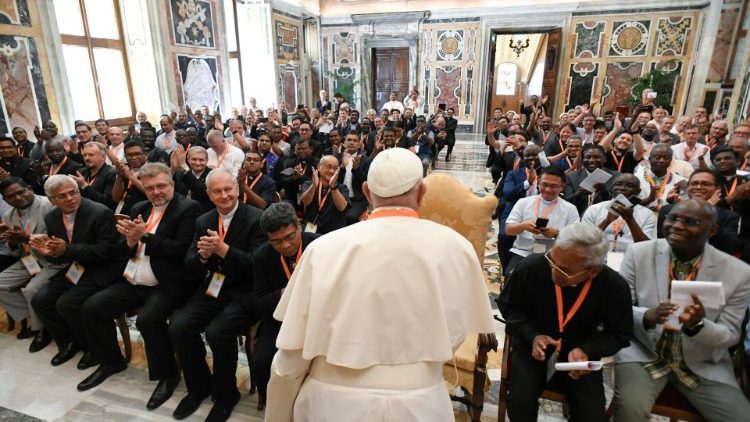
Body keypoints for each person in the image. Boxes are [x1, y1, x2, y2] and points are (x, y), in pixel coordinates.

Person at [265, 147, 494, 421]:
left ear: (367, 192)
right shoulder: (458, 248)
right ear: (422, 192)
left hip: (333, 406)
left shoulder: (322, 250)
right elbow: (457, 333)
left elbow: (291, 358)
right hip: (421, 403)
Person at [612, 199, 750, 421]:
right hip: (644, 353)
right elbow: (616, 310)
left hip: (702, 362)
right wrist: (646, 315)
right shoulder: (639, 253)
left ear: (712, 230)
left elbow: (731, 335)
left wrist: (698, 326)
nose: (676, 225)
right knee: (631, 411)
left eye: (690, 222)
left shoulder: (739, 273)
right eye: (673, 218)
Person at [77, 163, 201, 398]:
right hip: (132, 279)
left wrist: (143, 236)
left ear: (172, 185)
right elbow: (119, 251)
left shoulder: (188, 208)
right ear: (144, 188)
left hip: (166, 282)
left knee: (148, 320)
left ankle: (168, 375)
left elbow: (179, 250)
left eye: (162, 186)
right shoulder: (140, 207)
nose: (157, 192)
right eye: (150, 187)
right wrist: (130, 242)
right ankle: (111, 361)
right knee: (92, 307)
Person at [498, 223, 632, 421]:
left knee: (591, 416)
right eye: (552, 261)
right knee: (520, 404)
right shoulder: (533, 266)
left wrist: (588, 350)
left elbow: (619, 334)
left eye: (564, 270)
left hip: (578, 356)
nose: (553, 272)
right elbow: (509, 306)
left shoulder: (614, 287)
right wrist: (531, 335)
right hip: (533, 349)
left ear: (593, 271)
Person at [169, 169, 265, 421]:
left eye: (228, 189)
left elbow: (257, 266)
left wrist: (223, 250)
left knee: (217, 332)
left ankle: (226, 394)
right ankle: (199, 386)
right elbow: (189, 266)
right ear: (209, 195)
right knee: (180, 327)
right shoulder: (204, 221)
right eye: (217, 191)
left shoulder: (257, 218)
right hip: (213, 286)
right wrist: (202, 256)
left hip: (245, 292)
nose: (225, 196)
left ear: (237, 188)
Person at [29, 175, 123, 368]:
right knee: (40, 300)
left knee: (67, 303)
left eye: (73, 193)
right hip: (77, 268)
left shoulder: (99, 212)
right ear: (52, 200)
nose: (70, 198)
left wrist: (67, 250)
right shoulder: (52, 217)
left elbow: (108, 252)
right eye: (62, 196)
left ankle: (92, 349)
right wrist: (51, 253)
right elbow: (61, 253)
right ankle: (69, 342)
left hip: (102, 269)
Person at [251, 203, 320, 410]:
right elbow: (260, 301)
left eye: (290, 237)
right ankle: (270, 400)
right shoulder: (261, 256)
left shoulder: (319, 245)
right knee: (260, 362)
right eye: (276, 242)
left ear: (298, 226)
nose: (285, 246)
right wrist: (286, 292)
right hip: (279, 320)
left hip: (315, 317)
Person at [0, 177, 65, 352]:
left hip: (53, 260)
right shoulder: (9, 215)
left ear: (29, 187)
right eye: (11, 196)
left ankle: (41, 329)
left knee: (31, 290)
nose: (18, 197)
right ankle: (37, 316)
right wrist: (13, 243)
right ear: (5, 201)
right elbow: (16, 251)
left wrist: (25, 237)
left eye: (21, 192)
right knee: (1, 284)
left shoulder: (49, 205)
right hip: (29, 259)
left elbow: (60, 240)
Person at [504, 165, 580, 274]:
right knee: (512, 277)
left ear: (562, 187)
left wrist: (557, 234)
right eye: (544, 185)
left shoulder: (570, 209)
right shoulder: (523, 202)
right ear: (538, 182)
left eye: (554, 186)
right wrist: (524, 226)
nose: (548, 190)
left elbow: (576, 238)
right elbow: (508, 230)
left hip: (554, 255)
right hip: (523, 252)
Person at [658, 169, 742, 256]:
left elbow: (728, 248)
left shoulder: (729, 216)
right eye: (694, 183)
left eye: (705, 184)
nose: (698, 187)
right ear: (687, 187)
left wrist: (708, 212)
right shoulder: (668, 210)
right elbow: (662, 244)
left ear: (717, 189)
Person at [581, 173, 656, 253]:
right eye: (619, 184)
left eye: (630, 185)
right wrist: (606, 221)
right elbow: (582, 242)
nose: (623, 188)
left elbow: (648, 248)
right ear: (612, 188)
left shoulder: (647, 214)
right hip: (598, 260)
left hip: (632, 260)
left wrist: (630, 219)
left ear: (638, 191)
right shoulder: (594, 209)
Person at [300, 155, 350, 234]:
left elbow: (342, 207)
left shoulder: (342, 187)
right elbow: (305, 202)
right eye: (328, 167)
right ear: (319, 167)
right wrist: (313, 186)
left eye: (335, 168)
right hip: (310, 229)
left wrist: (333, 187)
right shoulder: (309, 183)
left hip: (333, 231)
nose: (331, 171)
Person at [563, 144, 618, 216]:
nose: (591, 160)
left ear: (604, 159)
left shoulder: (615, 177)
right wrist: (578, 194)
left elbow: (618, 203)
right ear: (582, 159)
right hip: (578, 217)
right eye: (588, 157)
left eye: (596, 157)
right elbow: (565, 203)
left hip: (604, 218)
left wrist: (605, 193)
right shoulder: (571, 177)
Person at [72, 142, 117, 209]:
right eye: (84, 155)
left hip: (101, 212)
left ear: (103, 157)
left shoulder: (111, 173)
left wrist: (85, 186)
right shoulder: (81, 172)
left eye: (91, 155)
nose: (86, 158)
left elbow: (107, 201)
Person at [111, 141, 149, 215]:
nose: (134, 157)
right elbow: (116, 198)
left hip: (143, 215)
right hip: (122, 213)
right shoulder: (125, 170)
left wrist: (131, 177)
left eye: (137, 154)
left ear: (146, 154)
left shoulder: (154, 170)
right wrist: (119, 176)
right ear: (125, 157)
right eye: (130, 155)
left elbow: (151, 192)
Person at [173, 146, 214, 213]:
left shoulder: (213, 175)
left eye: (201, 160)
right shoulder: (180, 173)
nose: (197, 163)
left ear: (207, 161)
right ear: (188, 159)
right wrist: (172, 169)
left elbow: (200, 192)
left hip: (202, 213)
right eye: (194, 159)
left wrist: (184, 165)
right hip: (181, 211)